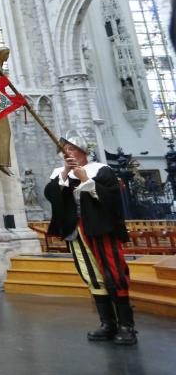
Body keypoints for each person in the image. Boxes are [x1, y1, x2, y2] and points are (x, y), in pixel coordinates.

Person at [44, 133, 137, 345]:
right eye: (64, 149)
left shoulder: (101, 170)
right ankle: (107, 323)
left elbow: (112, 198)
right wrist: (66, 174)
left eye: (72, 148)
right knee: (90, 273)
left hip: (100, 227)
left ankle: (126, 325)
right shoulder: (60, 173)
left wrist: (86, 180)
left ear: (83, 151)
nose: (68, 152)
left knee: (113, 272)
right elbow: (52, 195)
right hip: (76, 229)